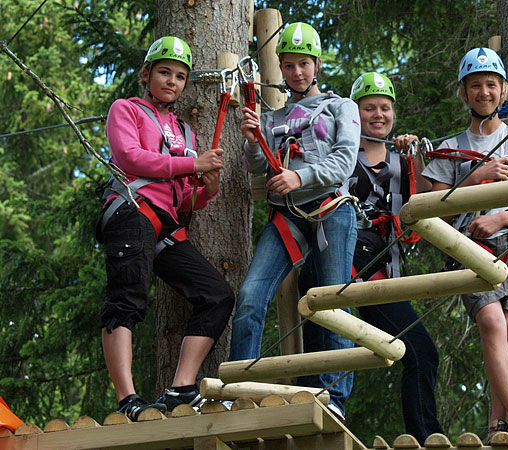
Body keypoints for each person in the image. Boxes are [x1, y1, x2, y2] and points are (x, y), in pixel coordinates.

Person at [421, 47, 508, 444]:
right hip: (470, 244)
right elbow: (436, 212)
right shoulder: (449, 150)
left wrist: (504, 216)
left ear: (502, 90)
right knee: (491, 322)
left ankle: (497, 425)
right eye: (475, 85)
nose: (484, 92)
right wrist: (477, 177)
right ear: (463, 93)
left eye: (491, 85)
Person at [96, 36, 235, 421]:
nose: (171, 81)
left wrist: (207, 190)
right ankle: (128, 400)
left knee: (217, 294)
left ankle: (180, 388)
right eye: (164, 72)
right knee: (127, 298)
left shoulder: (186, 133)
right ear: (146, 75)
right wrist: (194, 167)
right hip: (130, 211)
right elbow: (131, 157)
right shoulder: (126, 110)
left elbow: (183, 201)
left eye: (179, 76)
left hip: (164, 224)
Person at [299, 72, 443, 441]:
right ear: (354, 113)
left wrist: (416, 157)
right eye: (368, 109)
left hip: (382, 269)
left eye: (385, 108)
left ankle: (425, 437)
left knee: (420, 352)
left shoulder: (401, 161)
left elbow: (421, 211)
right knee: (325, 346)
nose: (378, 115)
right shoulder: (340, 155)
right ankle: (310, 427)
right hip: (337, 259)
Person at [229, 22, 360, 421]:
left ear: (317, 65)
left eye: (304, 64)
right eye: (289, 65)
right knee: (251, 295)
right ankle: (239, 391)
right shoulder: (271, 119)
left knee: (333, 302)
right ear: (282, 69)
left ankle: (333, 397)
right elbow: (258, 168)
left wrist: (299, 177)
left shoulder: (342, 107)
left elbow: (344, 161)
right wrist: (253, 140)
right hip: (287, 217)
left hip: (331, 211)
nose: (297, 73)